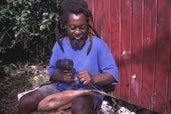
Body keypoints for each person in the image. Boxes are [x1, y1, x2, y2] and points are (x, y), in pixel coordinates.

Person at [18, 0, 118, 114]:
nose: (78, 32)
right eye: (73, 27)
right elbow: (52, 70)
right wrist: (61, 77)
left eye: (82, 27)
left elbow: (112, 74)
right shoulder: (60, 44)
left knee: (80, 106)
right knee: (25, 101)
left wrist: (93, 78)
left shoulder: (98, 44)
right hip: (61, 88)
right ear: (65, 25)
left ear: (87, 25)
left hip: (87, 92)